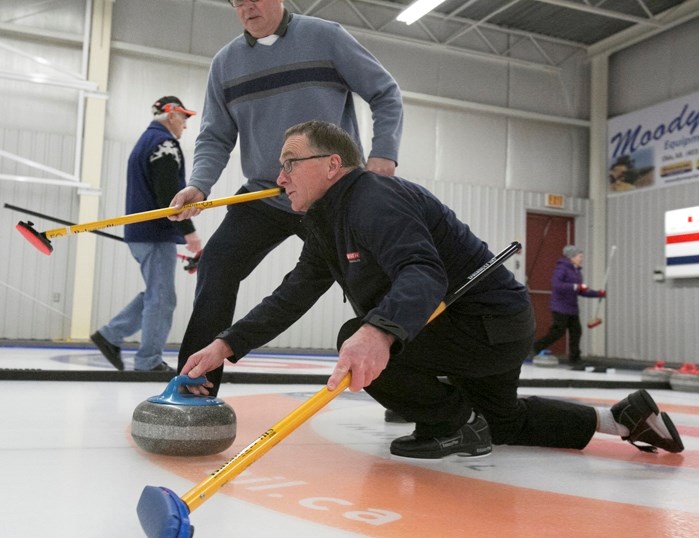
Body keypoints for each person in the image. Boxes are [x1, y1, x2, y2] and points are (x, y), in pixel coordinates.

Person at [180, 120, 684, 460]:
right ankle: (621, 419)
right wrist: (228, 344)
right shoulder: (327, 222)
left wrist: (378, 332)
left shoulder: (372, 198)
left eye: (291, 162)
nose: (279, 175)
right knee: (502, 423)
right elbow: (294, 293)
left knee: (356, 337)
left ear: (332, 164)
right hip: (494, 327)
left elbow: (423, 272)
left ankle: (453, 424)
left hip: (481, 324)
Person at [168, 0, 403, 395]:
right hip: (264, 193)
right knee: (217, 269)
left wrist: (383, 155)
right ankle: (194, 384)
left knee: (373, 285)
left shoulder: (326, 38)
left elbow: (385, 92)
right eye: (237, 2)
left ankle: (405, 384)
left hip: (331, 195)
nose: (247, 7)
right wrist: (200, 184)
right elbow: (214, 134)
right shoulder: (225, 64)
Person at [90, 96, 202, 372]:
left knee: (156, 294)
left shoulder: (146, 141)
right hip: (155, 233)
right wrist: (190, 234)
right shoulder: (164, 145)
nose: (186, 126)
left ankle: (110, 335)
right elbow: (170, 198)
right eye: (184, 119)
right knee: (162, 299)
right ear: (172, 115)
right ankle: (148, 362)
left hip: (143, 233)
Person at [532, 245, 605, 366]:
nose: (581, 259)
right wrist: (576, 286)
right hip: (560, 307)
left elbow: (581, 291)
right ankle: (536, 347)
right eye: (579, 256)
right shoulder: (562, 269)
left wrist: (597, 293)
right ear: (571, 257)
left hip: (572, 308)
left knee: (576, 332)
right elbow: (557, 285)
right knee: (558, 331)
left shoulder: (577, 272)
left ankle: (575, 358)